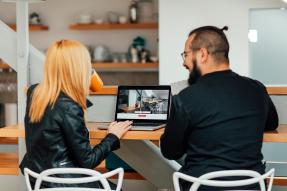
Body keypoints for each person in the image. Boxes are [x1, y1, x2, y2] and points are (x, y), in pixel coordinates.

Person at [160, 26, 278, 191]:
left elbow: (170, 151)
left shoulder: (185, 98)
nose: (184, 62)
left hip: (201, 187)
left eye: (186, 54)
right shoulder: (256, 88)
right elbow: (272, 124)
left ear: (202, 54)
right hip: (250, 185)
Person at [19, 39, 132, 188]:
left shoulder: (34, 92)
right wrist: (113, 136)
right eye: (87, 65)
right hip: (64, 183)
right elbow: (88, 161)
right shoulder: (70, 106)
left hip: (39, 180)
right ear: (79, 69)